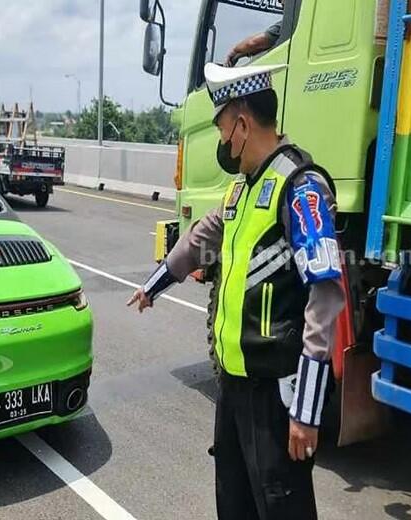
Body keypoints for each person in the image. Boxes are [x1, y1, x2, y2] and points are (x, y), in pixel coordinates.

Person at [127, 62, 345, 520]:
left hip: (275, 393)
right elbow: (200, 240)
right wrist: (154, 286)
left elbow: (326, 295)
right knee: (235, 502)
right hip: (234, 386)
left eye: (222, 128)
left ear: (242, 124)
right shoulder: (241, 191)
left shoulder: (300, 189)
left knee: (282, 507)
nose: (222, 142)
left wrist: (306, 411)